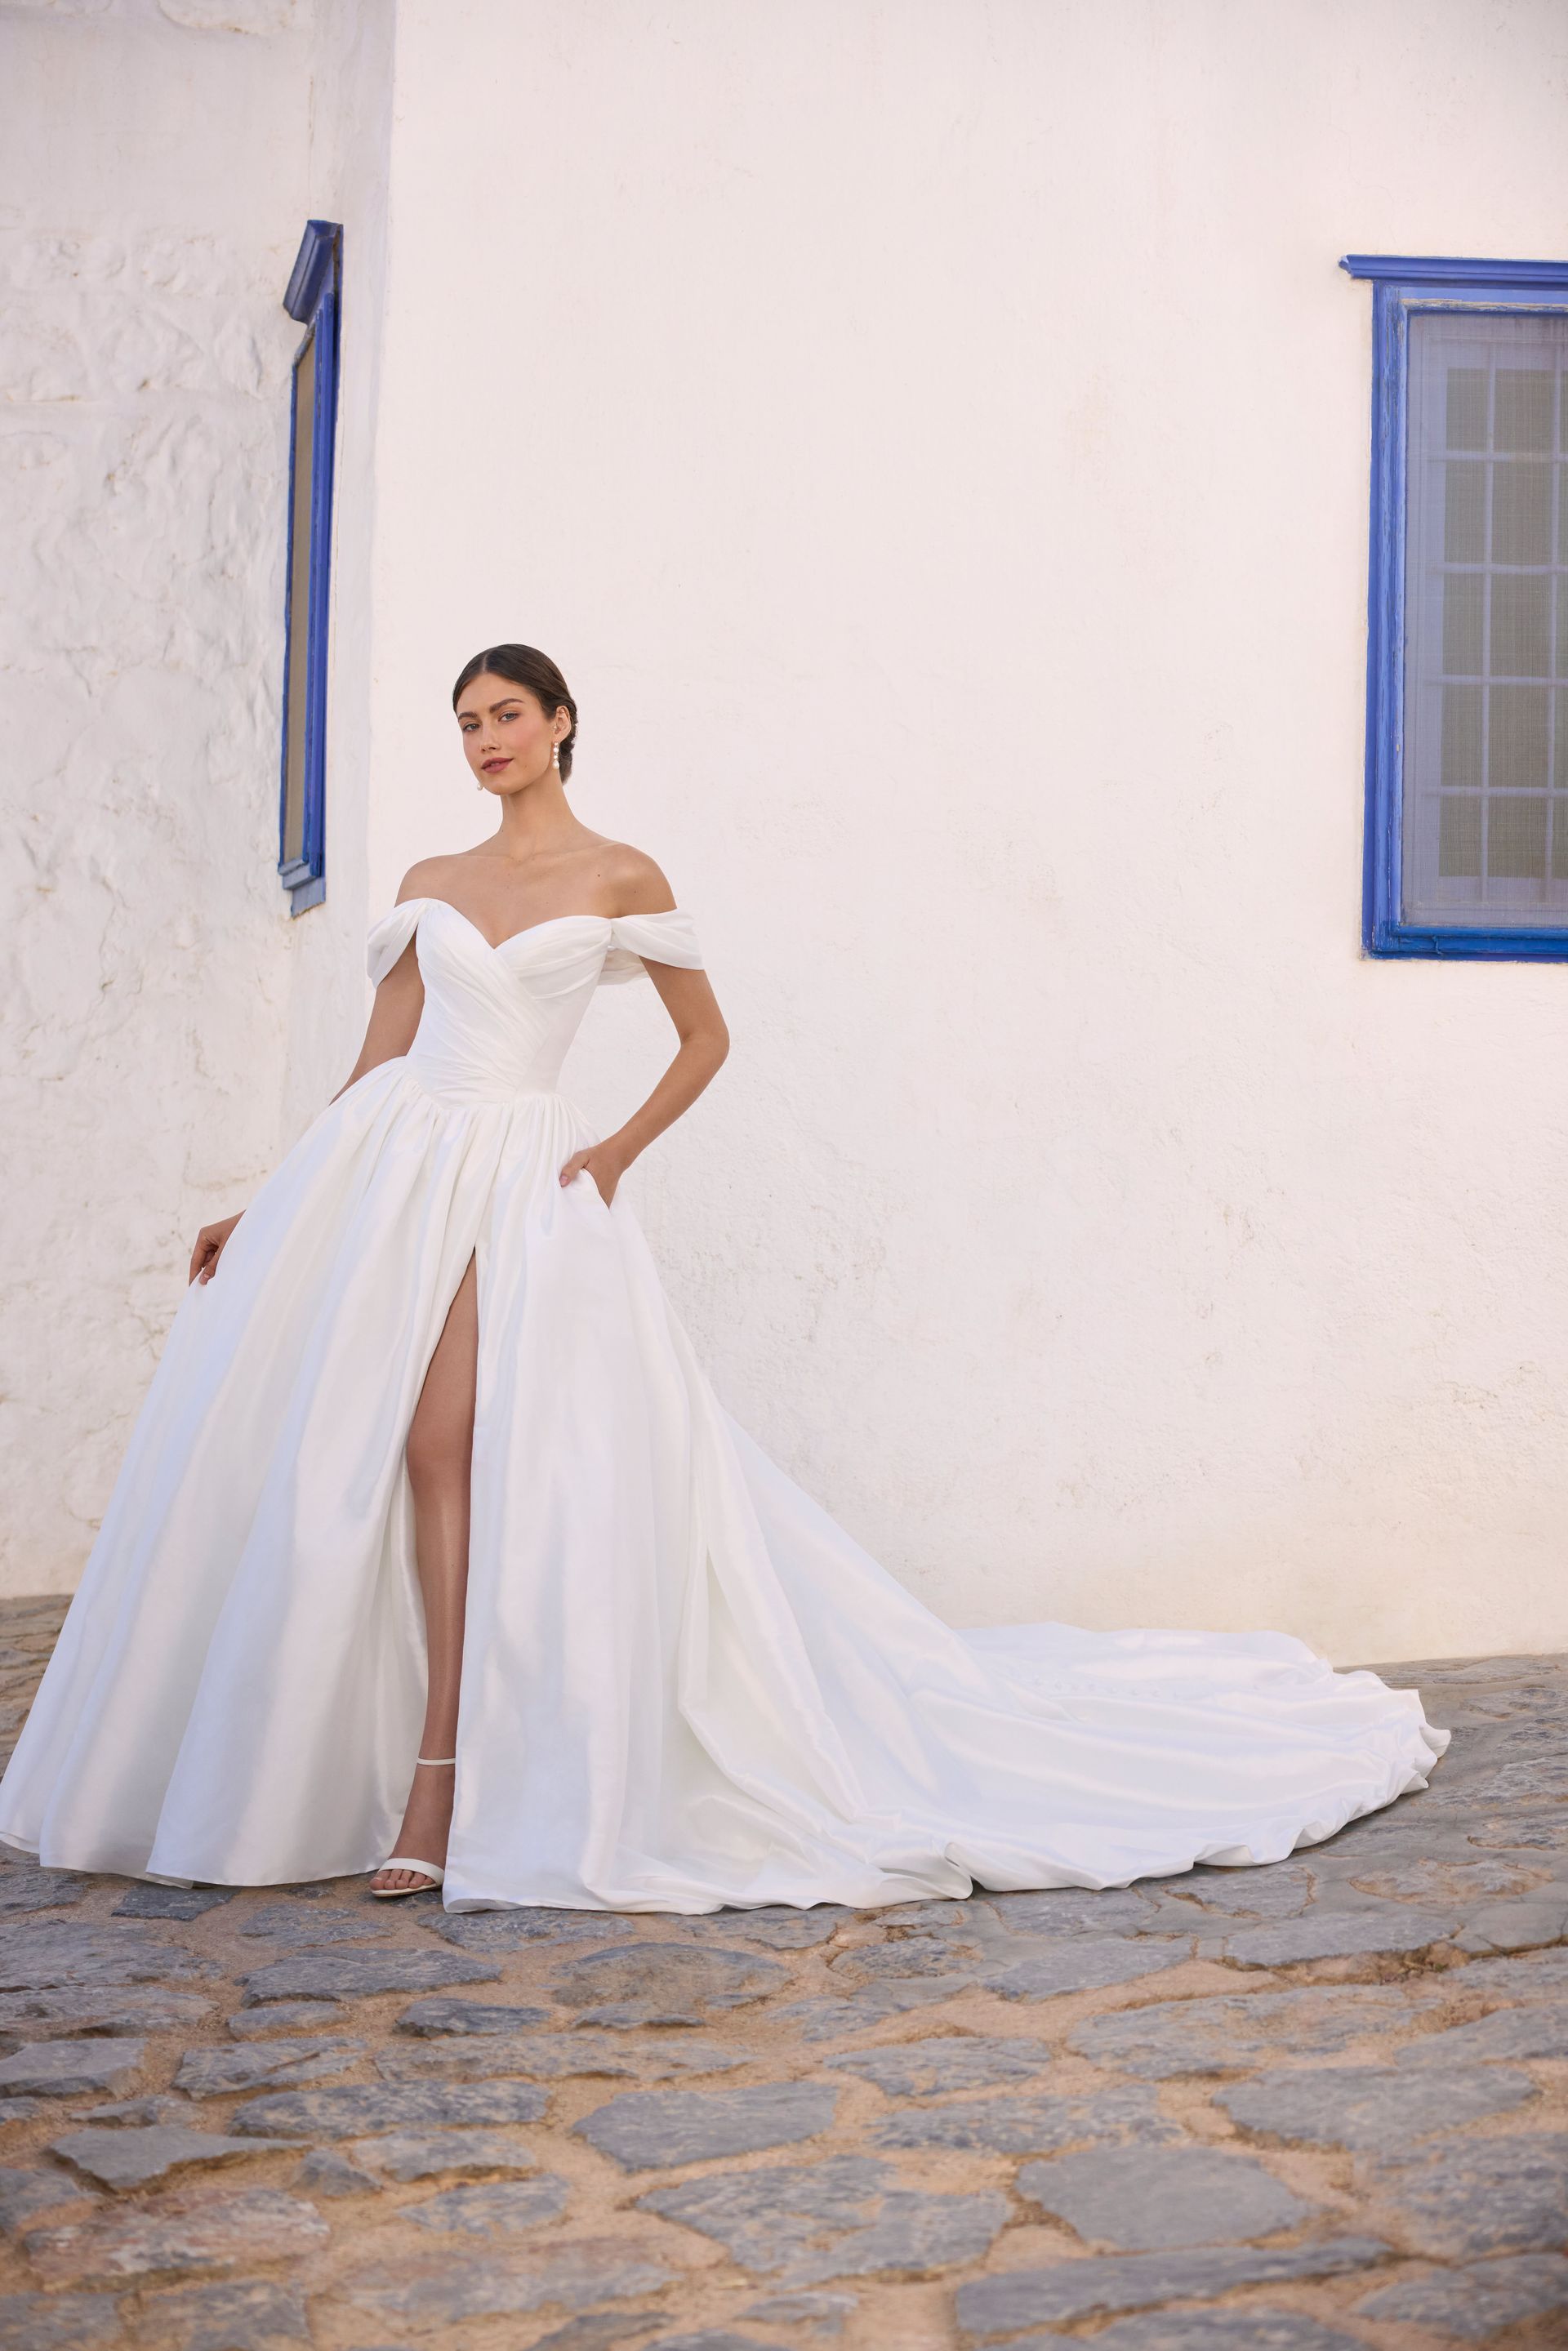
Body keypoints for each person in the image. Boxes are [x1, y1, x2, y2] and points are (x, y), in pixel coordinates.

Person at [0, 644, 1449, 1910]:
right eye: (467, 724)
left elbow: (708, 1041)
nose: (485, 741)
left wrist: (615, 1153)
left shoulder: (619, 876)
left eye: (507, 714)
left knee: (454, 1439)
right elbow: (376, 1058)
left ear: (563, 723)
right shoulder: (430, 883)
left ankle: (439, 1788)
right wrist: (265, 1204)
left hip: (522, 1174)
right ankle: (383, 1759)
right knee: (380, 1453)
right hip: (388, 1169)